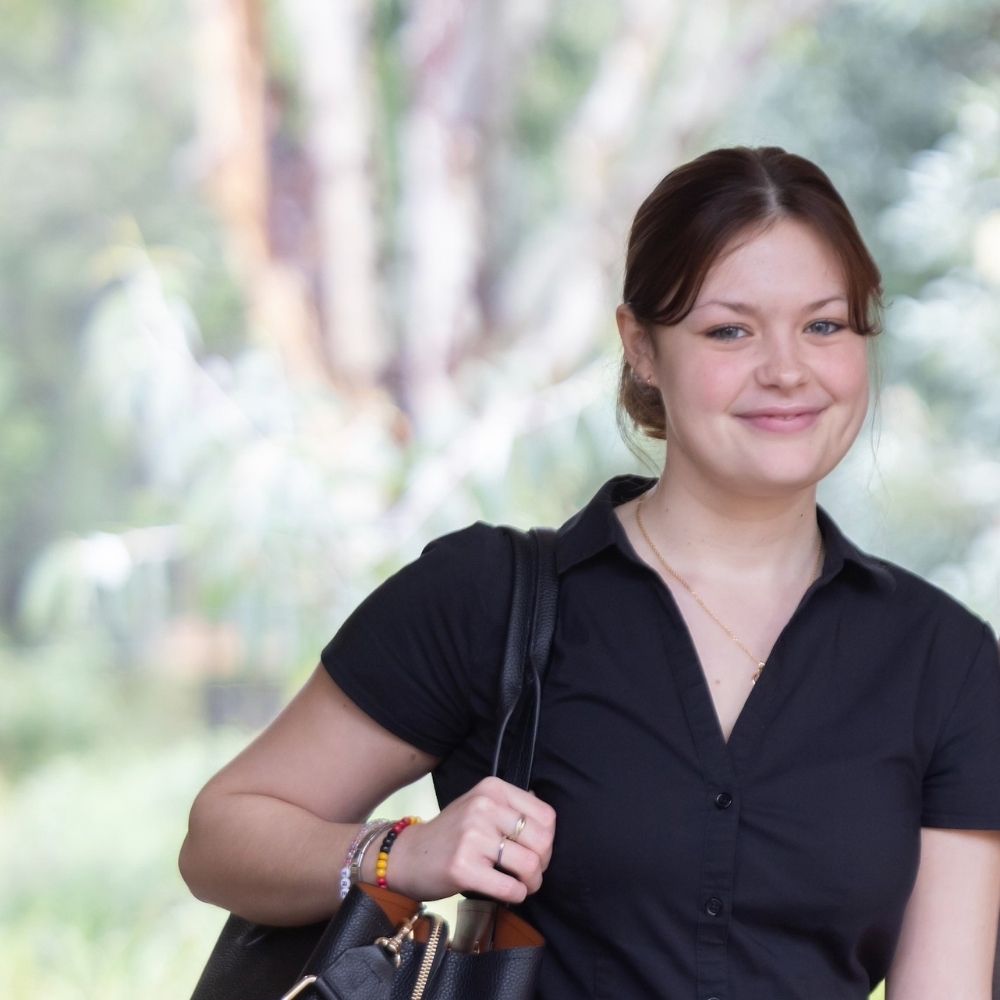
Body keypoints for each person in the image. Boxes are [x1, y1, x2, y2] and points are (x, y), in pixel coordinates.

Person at [179, 146, 1000, 999]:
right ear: (642, 347)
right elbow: (220, 838)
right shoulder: (487, 598)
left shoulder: (944, 661)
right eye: (729, 330)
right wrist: (401, 854)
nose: (787, 370)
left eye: (824, 326)